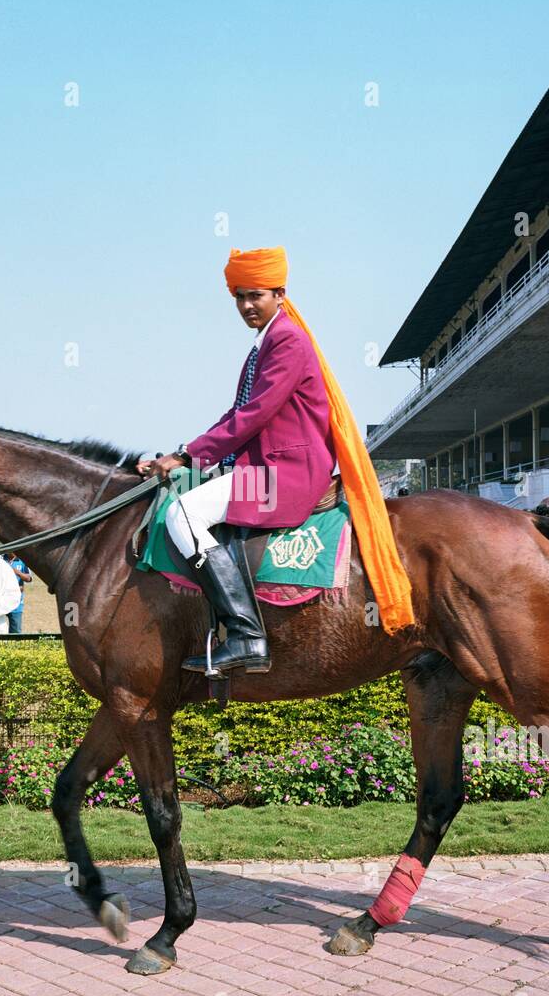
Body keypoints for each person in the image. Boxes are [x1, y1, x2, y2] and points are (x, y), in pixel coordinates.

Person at [137, 245, 413, 675]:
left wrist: (187, 456)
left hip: (280, 476)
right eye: (239, 297)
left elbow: (254, 415)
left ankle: (246, 635)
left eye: (255, 296)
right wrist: (183, 455)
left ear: (280, 294)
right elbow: (237, 413)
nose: (246, 305)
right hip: (266, 468)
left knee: (183, 515)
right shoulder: (264, 342)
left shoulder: (286, 339)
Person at [6, 552, 32, 633]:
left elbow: (29, 578)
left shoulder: (23, 560)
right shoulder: (0, 559)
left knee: (15, 632)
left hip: (16, 603)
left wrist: (16, 572)